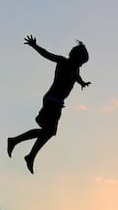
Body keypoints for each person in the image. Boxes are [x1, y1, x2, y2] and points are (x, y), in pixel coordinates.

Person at [7, 35, 90, 173]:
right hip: (51, 99)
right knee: (49, 131)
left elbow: (76, 77)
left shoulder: (76, 69)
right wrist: (34, 46)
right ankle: (20, 146)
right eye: (81, 62)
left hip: (58, 103)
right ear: (75, 57)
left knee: (48, 132)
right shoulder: (63, 62)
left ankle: (25, 151)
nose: (81, 65)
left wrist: (82, 82)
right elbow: (47, 54)